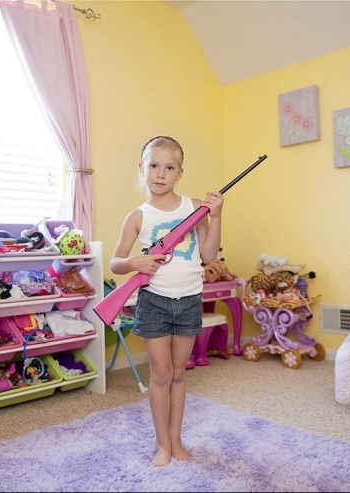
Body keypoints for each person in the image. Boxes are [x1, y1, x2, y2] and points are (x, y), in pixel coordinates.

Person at [110, 135, 224, 466]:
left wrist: (216, 217)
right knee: (160, 375)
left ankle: (176, 440)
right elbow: (116, 262)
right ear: (142, 168)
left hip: (189, 300)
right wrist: (135, 263)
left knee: (178, 373)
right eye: (154, 165)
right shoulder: (137, 216)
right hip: (155, 302)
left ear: (180, 173)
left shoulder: (193, 210)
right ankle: (162, 444)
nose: (161, 173)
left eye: (169, 167)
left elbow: (208, 254)